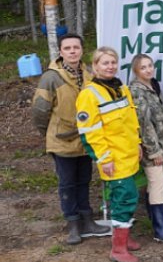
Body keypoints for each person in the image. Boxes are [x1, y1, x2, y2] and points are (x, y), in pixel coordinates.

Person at [31, 34, 110, 245]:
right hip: (62, 141)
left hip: (85, 140)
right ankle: (73, 224)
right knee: (67, 183)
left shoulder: (89, 74)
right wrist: (48, 133)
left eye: (76, 47)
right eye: (68, 48)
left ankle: (88, 220)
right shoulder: (51, 77)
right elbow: (39, 111)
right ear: (61, 52)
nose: (72, 51)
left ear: (82, 51)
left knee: (84, 180)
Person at [76, 47, 142, 262]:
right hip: (113, 159)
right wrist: (104, 159)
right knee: (124, 198)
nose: (110, 66)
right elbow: (90, 133)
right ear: (95, 66)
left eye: (113, 62)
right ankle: (118, 249)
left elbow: (132, 121)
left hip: (129, 155)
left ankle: (123, 236)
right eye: (105, 63)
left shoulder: (121, 88)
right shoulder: (89, 94)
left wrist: (139, 144)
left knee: (126, 197)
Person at [128, 54, 163, 245]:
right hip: (152, 146)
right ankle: (160, 229)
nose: (148, 70)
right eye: (143, 67)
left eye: (150, 66)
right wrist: (153, 150)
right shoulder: (137, 91)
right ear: (136, 70)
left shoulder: (153, 85)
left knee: (157, 183)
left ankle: (154, 219)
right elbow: (144, 123)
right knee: (157, 184)